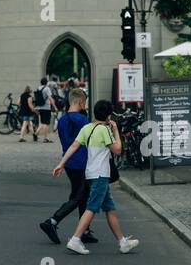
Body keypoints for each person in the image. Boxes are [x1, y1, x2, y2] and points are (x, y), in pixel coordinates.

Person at [51, 99, 139, 255]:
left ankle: (122, 242)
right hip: (100, 175)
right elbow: (118, 149)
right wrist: (116, 130)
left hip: (90, 173)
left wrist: (61, 164)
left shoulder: (87, 128)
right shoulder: (105, 130)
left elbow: (73, 146)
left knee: (109, 208)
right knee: (91, 207)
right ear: (109, 116)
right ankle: (75, 239)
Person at [39, 87, 99, 245]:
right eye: (84, 102)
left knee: (83, 195)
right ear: (80, 101)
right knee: (78, 196)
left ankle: (84, 230)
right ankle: (52, 221)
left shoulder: (63, 120)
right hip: (82, 162)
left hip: (69, 161)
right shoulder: (82, 120)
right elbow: (90, 142)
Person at [34, 77, 56, 143]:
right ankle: (46, 138)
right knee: (46, 123)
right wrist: (54, 106)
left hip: (40, 107)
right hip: (46, 108)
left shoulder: (38, 88)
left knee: (42, 123)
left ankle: (35, 134)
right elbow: (50, 98)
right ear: (46, 82)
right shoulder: (47, 88)